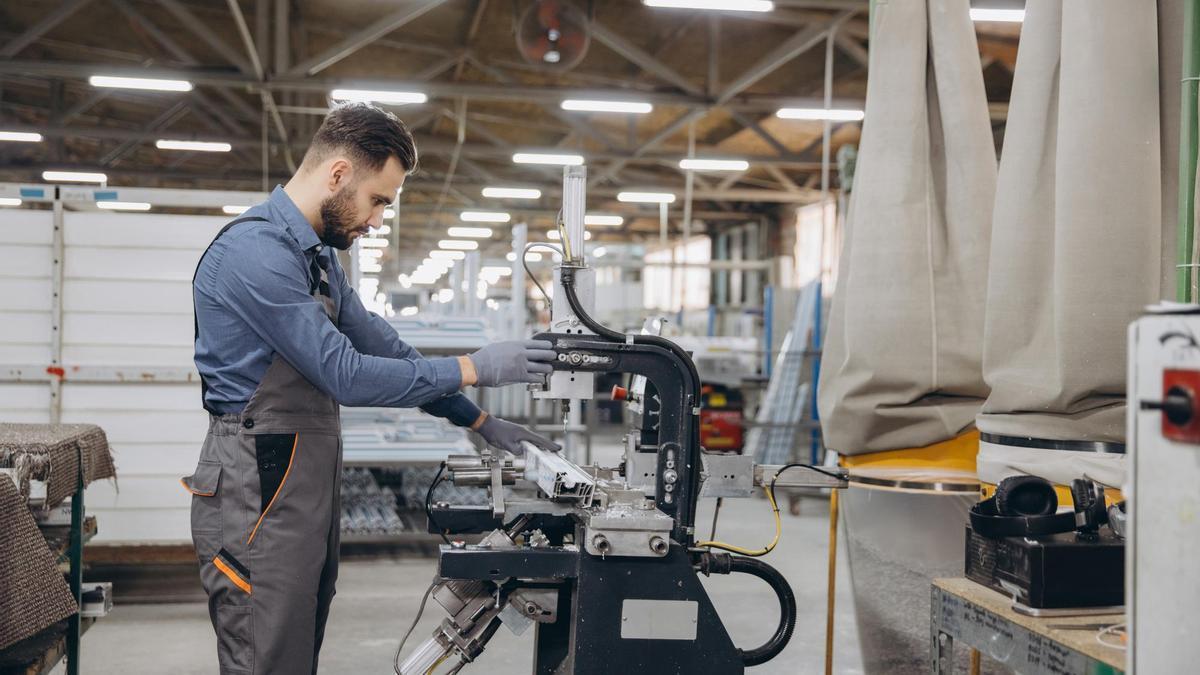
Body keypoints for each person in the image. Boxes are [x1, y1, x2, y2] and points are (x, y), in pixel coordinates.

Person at [183, 102, 559, 674]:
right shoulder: (253, 253)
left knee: (293, 651)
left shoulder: (317, 259)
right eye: (378, 199)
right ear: (338, 175)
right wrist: (474, 366)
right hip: (254, 491)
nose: (378, 219)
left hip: (299, 484)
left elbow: (384, 347)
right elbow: (346, 373)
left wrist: (478, 421)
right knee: (266, 655)